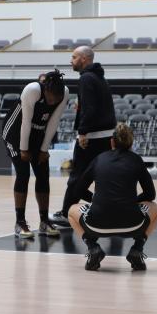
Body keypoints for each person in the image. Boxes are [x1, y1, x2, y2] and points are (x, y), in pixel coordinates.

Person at [67, 123, 157, 271]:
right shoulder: (136, 160)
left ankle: (92, 248)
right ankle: (137, 248)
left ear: (112, 141)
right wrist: (131, 201)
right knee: (155, 209)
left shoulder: (99, 159)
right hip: (132, 225)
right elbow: (151, 195)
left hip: (96, 225)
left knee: (72, 210)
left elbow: (77, 191)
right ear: (131, 143)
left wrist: (97, 201)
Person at [52, 45, 116, 226]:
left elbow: (91, 109)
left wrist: (82, 132)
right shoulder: (99, 77)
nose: (70, 60)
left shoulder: (87, 78)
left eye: (74, 57)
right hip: (105, 136)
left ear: (84, 59)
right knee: (101, 178)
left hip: (92, 138)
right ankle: (109, 209)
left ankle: (66, 214)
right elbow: (94, 106)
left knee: (77, 178)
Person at [1, 70, 68, 239]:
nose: (53, 101)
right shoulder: (32, 90)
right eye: (51, 97)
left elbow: (53, 123)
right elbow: (25, 122)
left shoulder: (64, 93)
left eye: (56, 98)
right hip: (16, 132)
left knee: (43, 175)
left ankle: (44, 222)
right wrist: (24, 149)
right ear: (45, 90)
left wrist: (44, 150)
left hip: (38, 133)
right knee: (23, 174)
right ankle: (20, 222)